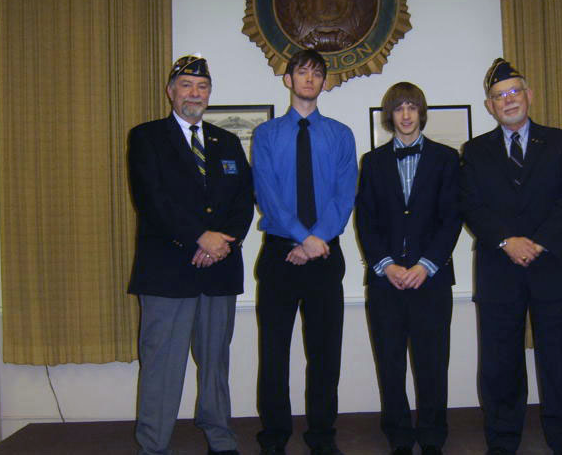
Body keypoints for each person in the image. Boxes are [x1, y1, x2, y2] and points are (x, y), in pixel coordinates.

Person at [127, 54, 254, 455]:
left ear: (209, 94)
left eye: (202, 87)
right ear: (170, 91)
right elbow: (152, 200)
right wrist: (199, 237)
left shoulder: (228, 141)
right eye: (186, 85)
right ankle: (153, 443)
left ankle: (219, 434)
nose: (194, 93)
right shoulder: (146, 138)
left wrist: (222, 243)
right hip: (168, 270)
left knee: (215, 362)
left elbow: (243, 203)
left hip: (219, 270)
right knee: (162, 363)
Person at [459, 58, 562, 455]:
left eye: (515, 92)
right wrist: (505, 241)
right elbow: (471, 206)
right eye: (499, 96)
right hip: (500, 270)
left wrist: (538, 243)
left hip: (553, 268)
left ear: (529, 96)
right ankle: (502, 439)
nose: (508, 100)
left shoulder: (561, 142)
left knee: (560, 361)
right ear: (489, 106)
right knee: (499, 364)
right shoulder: (475, 150)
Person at [251, 49, 357, 455]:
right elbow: (268, 195)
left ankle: (321, 435)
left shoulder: (341, 135)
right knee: (274, 353)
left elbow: (344, 196)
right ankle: (274, 435)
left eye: (317, 73)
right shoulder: (266, 135)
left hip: (326, 257)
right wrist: (301, 238)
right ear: (288, 79)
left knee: (325, 354)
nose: (309, 78)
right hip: (280, 256)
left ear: (324, 82)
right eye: (302, 71)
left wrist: (316, 242)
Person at [355, 82, 462, 455]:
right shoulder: (372, 162)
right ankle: (398, 435)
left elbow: (451, 220)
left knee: (433, 363)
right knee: (390, 363)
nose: (405, 115)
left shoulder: (447, 159)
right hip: (386, 283)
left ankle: (433, 435)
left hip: (431, 281)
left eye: (412, 108)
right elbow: (365, 222)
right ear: (390, 115)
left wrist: (426, 265)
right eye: (398, 108)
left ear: (421, 113)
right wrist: (385, 265)